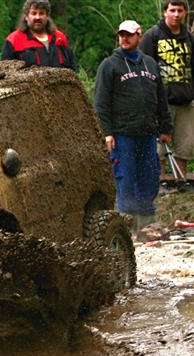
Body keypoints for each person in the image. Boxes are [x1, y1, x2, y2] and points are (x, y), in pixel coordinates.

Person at [94, 20, 173, 232]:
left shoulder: (150, 63)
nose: (124, 38)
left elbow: (161, 98)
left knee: (149, 176)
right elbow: (101, 103)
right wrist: (107, 133)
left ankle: (146, 224)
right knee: (125, 178)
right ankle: (127, 227)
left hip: (148, 133)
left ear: (139, 35)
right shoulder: (109, 65)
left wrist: (165, 128)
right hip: (122, 135)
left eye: (129, 34)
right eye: (121, 35)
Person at [139, 1, 194, 193]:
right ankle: (160, 181)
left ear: (185, 12)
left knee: (185, 142)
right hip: (160, 99)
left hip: (186, 98)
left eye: (180, 10)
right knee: (160, 144)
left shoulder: (188, 37)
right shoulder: (152, 36)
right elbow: (143, 66)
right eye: (172, 10)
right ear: (165, 12)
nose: (176, 14)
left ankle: (181, 181)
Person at [1, 0, 77, 70]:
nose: (37, 17)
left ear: (47, 16)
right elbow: (6, 73)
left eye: (41, 13)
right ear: (26, 17)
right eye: (34, 13)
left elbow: (72, 67)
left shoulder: (60, 38)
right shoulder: (14, 40)